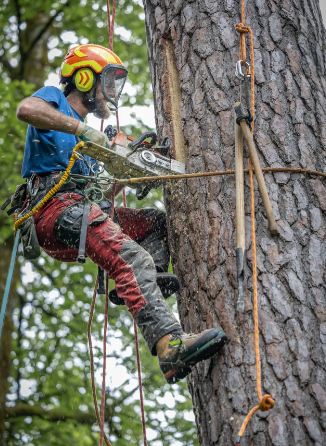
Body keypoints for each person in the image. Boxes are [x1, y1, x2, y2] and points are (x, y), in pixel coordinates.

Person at [15, 44, 227, 384]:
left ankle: (148, 282)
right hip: (54, 211)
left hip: (78, 209)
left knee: (154, 224)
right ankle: (169, 346)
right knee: (131, 257)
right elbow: (25, 109)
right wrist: (81, 129)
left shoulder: (85, 146)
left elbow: (99, 196)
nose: (112, 92)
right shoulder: (53, 100)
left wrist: (125, 173)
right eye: (108, 82)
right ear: (84, 78)